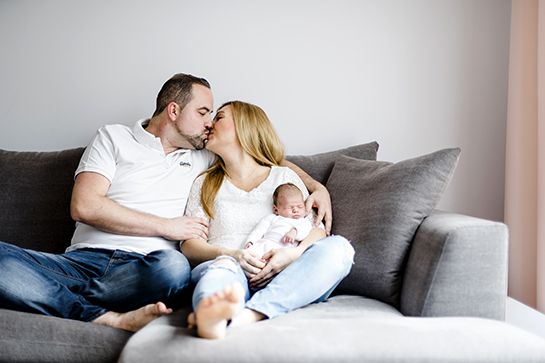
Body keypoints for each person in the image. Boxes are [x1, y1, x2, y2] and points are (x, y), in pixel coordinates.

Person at [0, 74, 332, 332]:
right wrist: (165, 226)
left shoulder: (204, 155)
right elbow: (85, 206)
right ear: (173, 110)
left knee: (174, 267)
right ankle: (104, 317)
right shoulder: (113, 138)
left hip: (148, 270)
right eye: (203, 112)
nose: (208, 123)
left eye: (213, 116)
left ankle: (51, 295)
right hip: (80, 263)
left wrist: (317, 187)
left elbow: (262, 158)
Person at [181, 100, 354, 339]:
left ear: (244, 127)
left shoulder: (284, 176)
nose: (209, 123)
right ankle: (212, 311)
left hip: (285, 272)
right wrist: (232, 255)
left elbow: (317, 230)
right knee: (220, 272)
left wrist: (293, 254)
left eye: (219, 117)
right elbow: (189, 244)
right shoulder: (205, 182)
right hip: (230, 266)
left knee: (340, 249)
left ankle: (246, 315)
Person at [244, 183, 313, 258]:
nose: (296, 210)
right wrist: (251, 241)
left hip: (286, 250)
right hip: (266, 243)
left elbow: (306, 230)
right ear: (276, 210)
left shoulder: (303, 221)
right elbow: (259, 230)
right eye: (290, 208)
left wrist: (295, 232)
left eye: (300, 207)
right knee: (249, 254)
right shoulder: (272, 218)